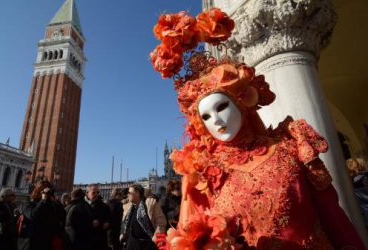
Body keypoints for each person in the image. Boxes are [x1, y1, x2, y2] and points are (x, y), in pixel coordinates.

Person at [150, 8, 365, 249]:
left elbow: (335, 220)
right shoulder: (202, 173)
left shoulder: (291, 144)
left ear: (242, 103)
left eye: (222, 107)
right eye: (207, 116)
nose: (217, 121)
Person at [17, 181, 65, 250]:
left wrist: (55, 200)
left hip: (46, 243)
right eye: (44, 190)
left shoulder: (51, 206)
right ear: (38, 191)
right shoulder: (27, 204)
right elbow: (33, 216)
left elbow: (62, 217)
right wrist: (43, 200)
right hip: (30, 244)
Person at [120, 184, 166, 250]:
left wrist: (156, 237)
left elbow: (161, 222)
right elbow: (124, 223)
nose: (127, 195)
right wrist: (122, 234)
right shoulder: (128, 207)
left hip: (146, 245)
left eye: (129, 192)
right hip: (130, 244)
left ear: (137, 193)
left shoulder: (150, 204)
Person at [85, 184, 111, 250]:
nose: (96, 194)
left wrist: (107, 223)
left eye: (98, 192)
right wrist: (90, 223)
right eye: (93, 192)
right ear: (87, 193)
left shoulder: (105, 207)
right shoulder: (81, 206)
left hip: (100, 242)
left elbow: (110, 220)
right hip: (86, 241)